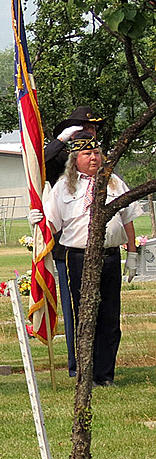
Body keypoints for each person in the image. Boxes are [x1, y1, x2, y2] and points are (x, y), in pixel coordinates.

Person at [33, 132, 141, 386]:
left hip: (110, 256)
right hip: (79, 257)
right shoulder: (64, 186)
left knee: (110, 318)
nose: (93, 158)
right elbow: (52, 222)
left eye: (96, 153)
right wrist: (38, 223)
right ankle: (87, 374)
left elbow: (128, 220)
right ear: (75, 158)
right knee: (85, 316)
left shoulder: (113, 182)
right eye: (86, 153)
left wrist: (133, 254)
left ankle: (106, 374)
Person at [41, 106, 104, 377]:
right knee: (75, 309)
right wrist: (62, 140)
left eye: (93, 130)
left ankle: (101, 365)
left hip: (98, 242)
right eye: (86, 129)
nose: (92, 134)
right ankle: (76, 364)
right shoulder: (60, 156)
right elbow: (38, 163)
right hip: (69, 244)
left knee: (104, 310)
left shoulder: (95, 157)